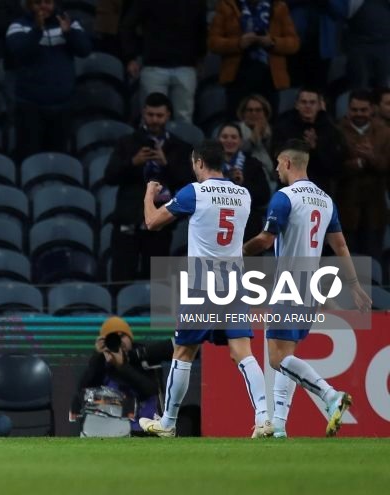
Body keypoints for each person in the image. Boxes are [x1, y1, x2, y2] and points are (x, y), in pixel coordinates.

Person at [138, 140, 272, 438]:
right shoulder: (243, 194)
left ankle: (167, 423)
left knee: (184, 351)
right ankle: (264, 418)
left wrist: (149, 194)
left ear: (199, 162)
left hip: (203, 282)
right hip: (235, 281)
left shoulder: (194, 192)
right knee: (243, 352)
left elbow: (152, 222)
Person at [243, 138, 372, 437]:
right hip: (311, 286)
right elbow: (340, 245)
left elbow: (265, 240)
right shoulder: (326, 200)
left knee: (276, 358)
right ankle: (279, 426)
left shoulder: (284, 198)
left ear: (287, 162)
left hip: (289, 283)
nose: (276, 169)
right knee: (286, 355)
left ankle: (331, 395)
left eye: (278, 163)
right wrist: (354, 285)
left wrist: (238, 252)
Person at [104, 92, 193, 282]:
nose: (154, 120)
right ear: (143, 113)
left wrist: (165, 164)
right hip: (127, 220)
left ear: (168, 115)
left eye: (159, 115)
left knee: (156, 282)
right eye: (150, 115)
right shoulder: (126, 142)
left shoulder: (180, 147)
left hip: (159, 225)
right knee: (121, 279)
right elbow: (109, 177)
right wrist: (133, 162)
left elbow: (187, 183)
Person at [6, 0, 92, 160]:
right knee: (30, 158)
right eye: (38, 2)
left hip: (62, 106)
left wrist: (69, 33)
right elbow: (19, 52)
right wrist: (37, 30)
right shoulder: (18, 25)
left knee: (59, 159)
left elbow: (85, 49)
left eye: (47, 2)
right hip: (30, 107)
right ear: (30, 4)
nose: (43, 6)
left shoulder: (68, 22)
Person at [70, 316, 173, 433]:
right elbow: (83, 391)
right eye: (113, 338)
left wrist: (123, 366)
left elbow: (150, 390)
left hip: (142, 427)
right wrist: (97, 357)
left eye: (122, 336)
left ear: (130, 338)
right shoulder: (100, 362)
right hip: (107, 426)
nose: (119, 341)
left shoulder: (145, 356)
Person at [120, 0, 207, 123]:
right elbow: (128, 26)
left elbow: (202, 31)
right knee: (151, 118)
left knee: (184, 120)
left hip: (185, 66)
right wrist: (131, 57)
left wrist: (200, 57)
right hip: (154, 65)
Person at [208, 0, 300, 116]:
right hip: (237, 77)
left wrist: (272, 42)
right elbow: (213, 43)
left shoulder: (278, 7)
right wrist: (238, 43)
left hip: (269, 78)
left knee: (269, 122)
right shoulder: (227, 5)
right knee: (236, 121)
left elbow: (294, 44)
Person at [336, 89, 390, 262]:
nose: (359, 113)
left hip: (375, 211)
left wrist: (371, 158)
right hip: (346, 210)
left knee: (373, 261)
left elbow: (387, 165)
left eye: (363, 110)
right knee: (348, 265)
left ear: (372, 109)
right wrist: (358, 163)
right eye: (354, 110)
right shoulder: (336, 131)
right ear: (348, 109)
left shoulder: (385, 133)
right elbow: (334, 167)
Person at [272, 87, 347, 197]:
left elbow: (334, 166)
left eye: (312, 102)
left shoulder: (330, 130)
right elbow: (277, 158)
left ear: (319, 105)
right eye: (304, 102)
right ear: (296, 105)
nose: (308, 106)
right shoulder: (283, 128)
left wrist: (315, 148)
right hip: (289, 189)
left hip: (320, 190)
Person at [216, 122, 271, 240]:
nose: (229, 140)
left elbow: (264, 195)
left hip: (247, 222)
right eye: (225, 137)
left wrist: (242, 186)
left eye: (234, 137)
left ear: (240, 141)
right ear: (218, 140)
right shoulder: (209, 163)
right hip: (215, 219)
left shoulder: (253, 164)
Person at [235, 94, 275, 184]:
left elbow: (276, 154)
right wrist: (254, 138)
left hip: (271, 175)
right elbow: (238, 152)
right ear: (243, 113)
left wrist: (265, 139)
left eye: (258, 110)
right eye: (250, 110)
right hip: (245, 174)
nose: (254, 113)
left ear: (265, 113)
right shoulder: (236, 130)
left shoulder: (273, 131)